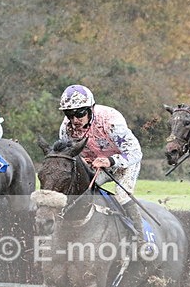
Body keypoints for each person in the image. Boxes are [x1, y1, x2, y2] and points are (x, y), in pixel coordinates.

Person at [58, 84, 145, 242]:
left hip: (123, 162)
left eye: (79, 113)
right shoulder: (66, 128)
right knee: (79, 192)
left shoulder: (111, 121)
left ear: (91, 108)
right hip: (95, 165)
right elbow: (69, 155)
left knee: (122, 196)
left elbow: (135, 152)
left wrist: (110, 160)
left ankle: (140, 240)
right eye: (69, 114)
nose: (75, 119)